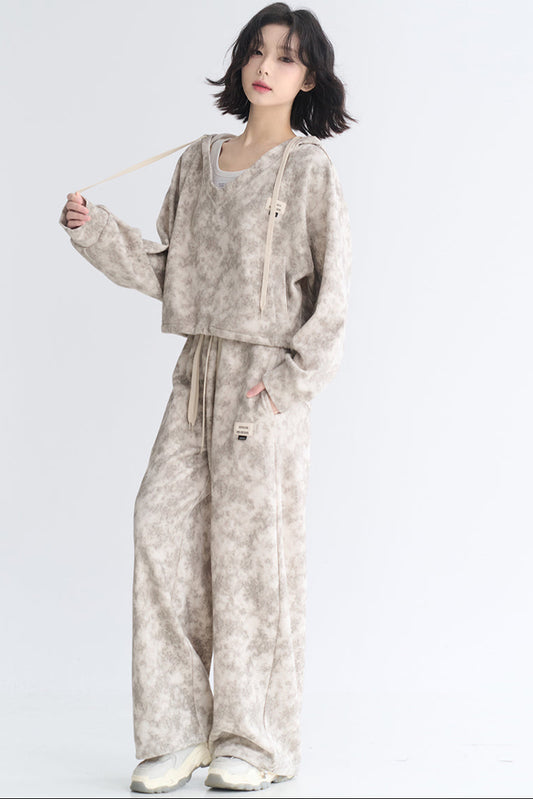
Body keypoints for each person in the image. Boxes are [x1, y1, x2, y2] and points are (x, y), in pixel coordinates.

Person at [58, 2, 356, 792]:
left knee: (254, 560)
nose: (266, 67)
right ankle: (176, 731)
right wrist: (96, 231)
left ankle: (254, 741)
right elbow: (173, 273)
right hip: (196, 377)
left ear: (309, 77)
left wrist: (283, 386)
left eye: (286, 57)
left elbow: (332, 303)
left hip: (264, 382)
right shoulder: (198, 161)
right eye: (257, 51)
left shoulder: (309, 171)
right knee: (159, 528)